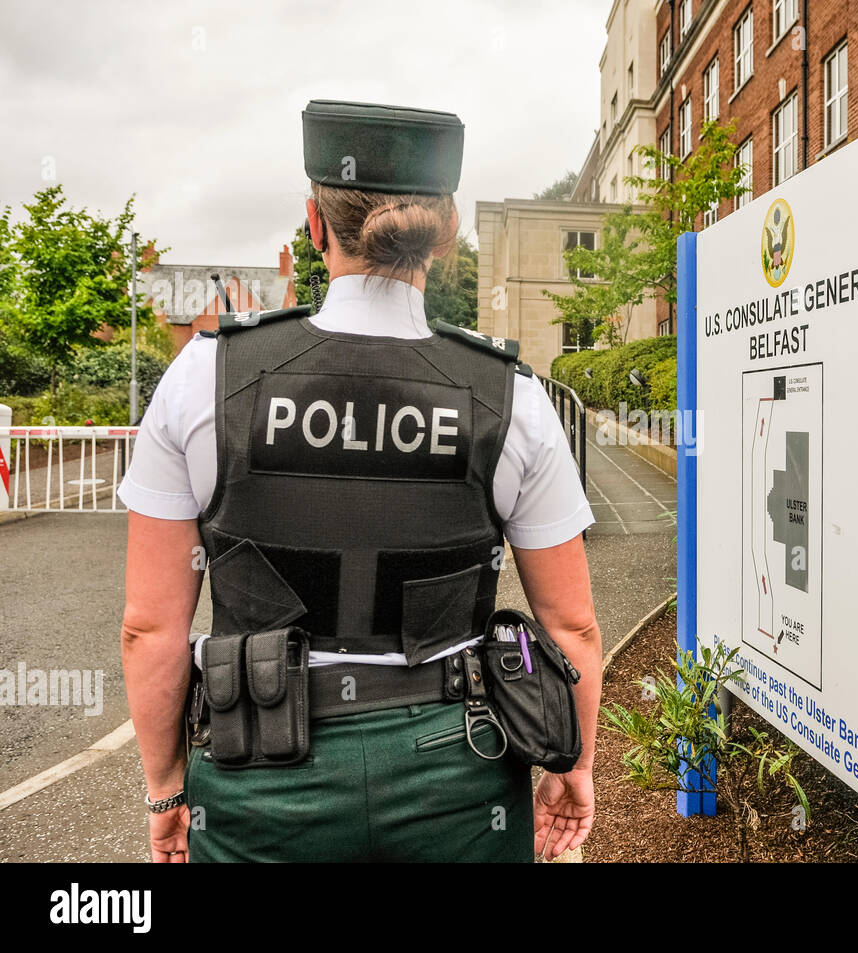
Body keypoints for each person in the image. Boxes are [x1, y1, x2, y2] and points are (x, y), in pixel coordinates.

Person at [117, 100, 601, 862]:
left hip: (262, 779)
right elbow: (571, 628)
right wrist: (573, 766)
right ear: (440, 239)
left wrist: (168, 790)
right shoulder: (511, 396)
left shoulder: (203, 378)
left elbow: (150, 628)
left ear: (314, 225)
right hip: (459, 773)